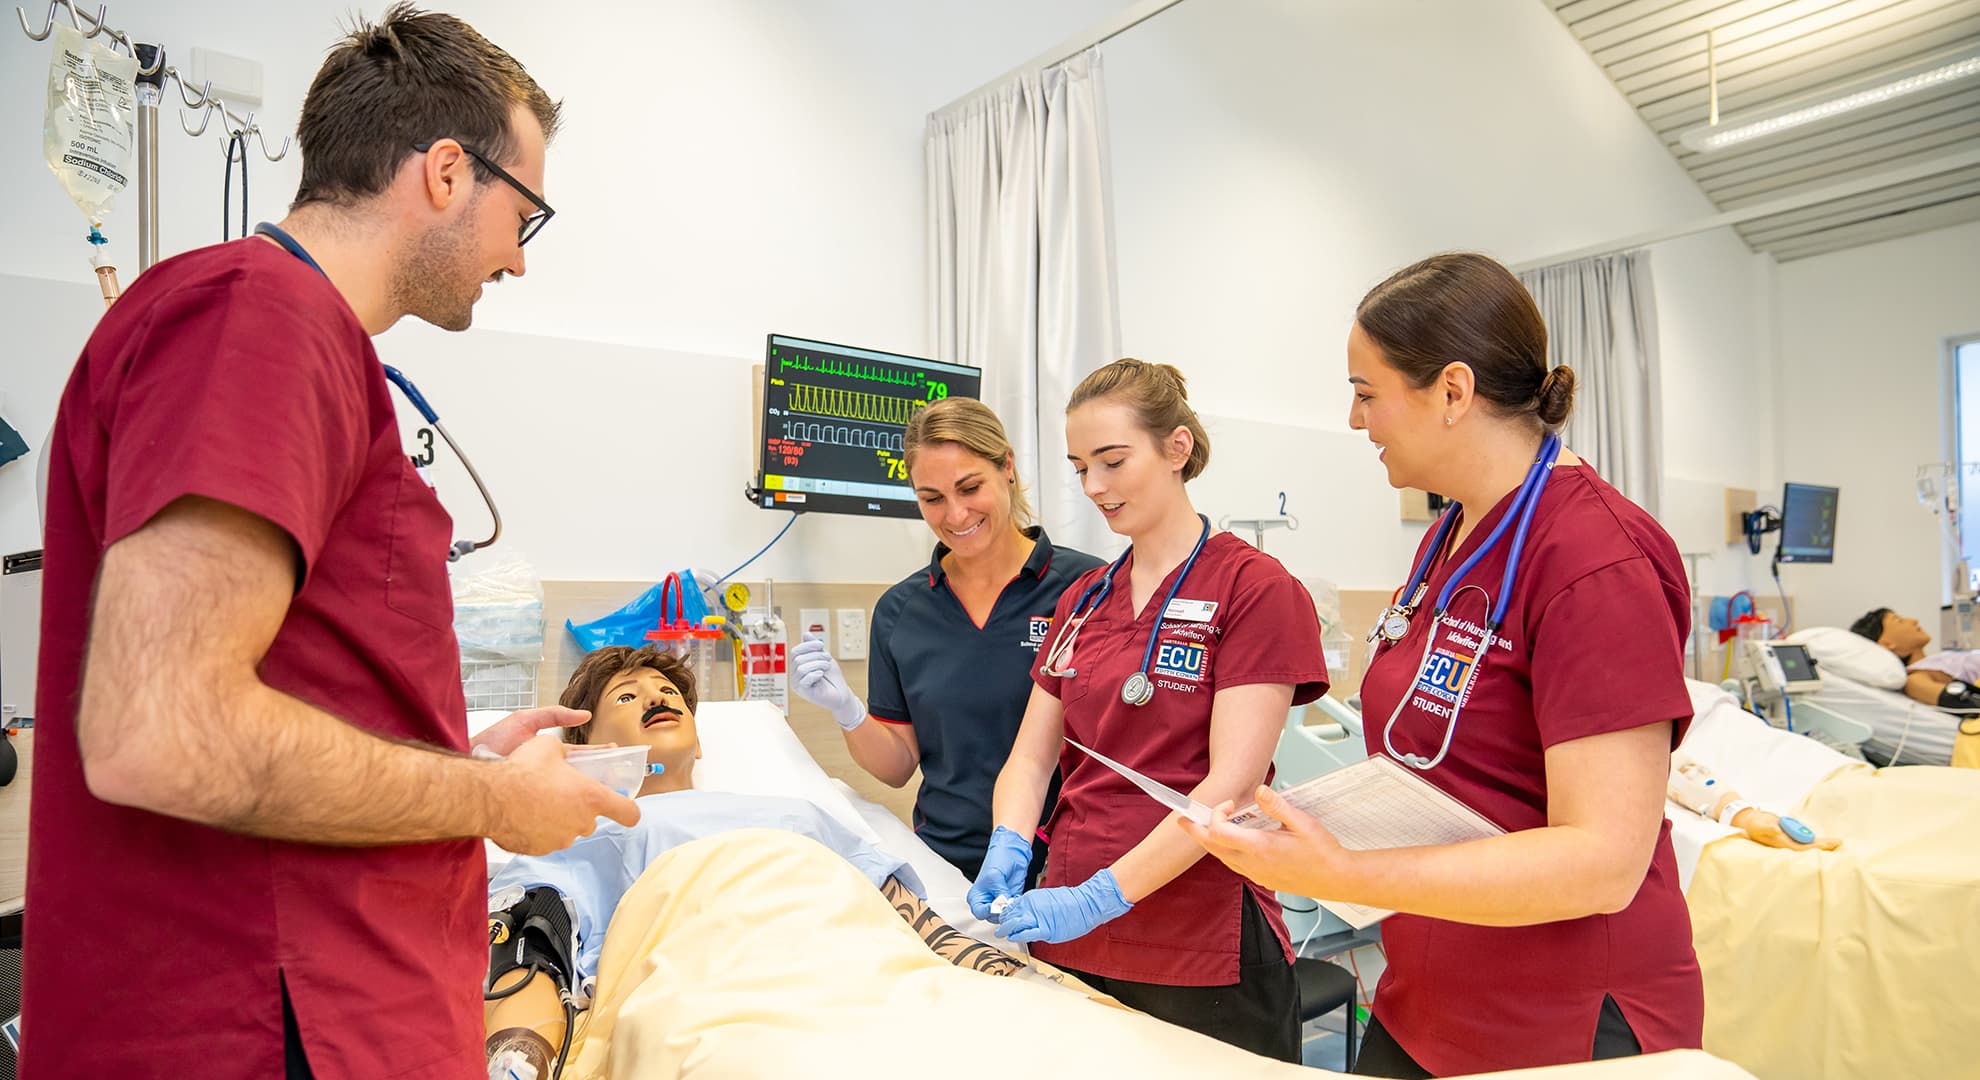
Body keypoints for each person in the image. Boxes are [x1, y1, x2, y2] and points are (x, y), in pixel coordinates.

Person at [24, 7, 636, 1078]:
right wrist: (496, 801)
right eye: (524, 216)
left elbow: (282, 683)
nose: (518, 263)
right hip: (265, 1019)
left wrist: (444, 754)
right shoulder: (257, 317)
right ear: (447, 173)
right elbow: (160, 731)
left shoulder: (280, 332)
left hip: (324, 993)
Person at [1182, 253, 1704, 1077]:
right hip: (1429, 990)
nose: (1357, 422)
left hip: (1560, 1021)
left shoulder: (1596, 557)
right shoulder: (1452, 538)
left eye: (1365, 392)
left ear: (1453, 392)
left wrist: (1345, 869)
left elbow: (1604, 861)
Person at [969, 359, 1329, 1062]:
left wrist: (1104, 895)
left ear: (1176, 449)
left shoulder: (1254, 588)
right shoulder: (1085, 601)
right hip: (1068, 931)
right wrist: (1008, 841)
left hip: (1197, 935)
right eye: (1079, 468)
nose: (1094, 488)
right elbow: (1033, 756)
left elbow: (1229, 784)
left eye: (1112, 461)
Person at [483, 644, 1028, 1079]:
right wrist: (518, 1057)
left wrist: (1004, 979)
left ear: (700, 746)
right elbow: (526, 939)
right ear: (590, 750)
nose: (655, 698)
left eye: (667, 690)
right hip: (712, 994)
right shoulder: (587, 833)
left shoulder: (797, 813)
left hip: (853, 976)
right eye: (626, 698)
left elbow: (905, 915)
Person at [790, 397, 1103, 879]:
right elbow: (897, 767)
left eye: (970, 487)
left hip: (1069, 863)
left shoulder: (1087, 588)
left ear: (1008, 468)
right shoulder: (902, 611)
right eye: (932, 498)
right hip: (946, 867)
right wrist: (847, 713)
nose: (955, 515)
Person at [1848, 607, 1980, 710]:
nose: (1914, 620)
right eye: (1899, 620)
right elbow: (1967, 704)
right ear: (1887, 644)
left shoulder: (1937, 661)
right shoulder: (1914, 680)